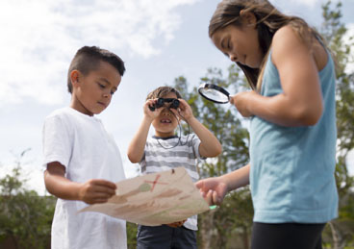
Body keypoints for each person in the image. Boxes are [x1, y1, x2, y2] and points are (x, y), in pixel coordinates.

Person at [195, 0, 338, 249]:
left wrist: (251, 102)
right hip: (292, 202)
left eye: (228, 44)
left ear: (249, 19)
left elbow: (304, 109)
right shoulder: (278, 57)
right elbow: (275, 155)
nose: (231, 57)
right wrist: (226, 182)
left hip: (287, 201)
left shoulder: (287, 35)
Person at [43, 46, 127, 249]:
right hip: (79, 240)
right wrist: (80, 191)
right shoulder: (62, 119)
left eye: (113, 91)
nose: (107, 95)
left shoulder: (107, 134)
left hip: (113, 240)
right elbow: (52, 177)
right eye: (102, 85)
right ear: (76, 78)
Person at [127, 86, 222, 249]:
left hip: (185, 226)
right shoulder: (146, 144)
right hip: (152, 225)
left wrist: (190, 117)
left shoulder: (189, 142)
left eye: (172, 108)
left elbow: (215, 149)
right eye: (159, 108)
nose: (165, 113)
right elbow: (133, 156)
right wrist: (147, 118)